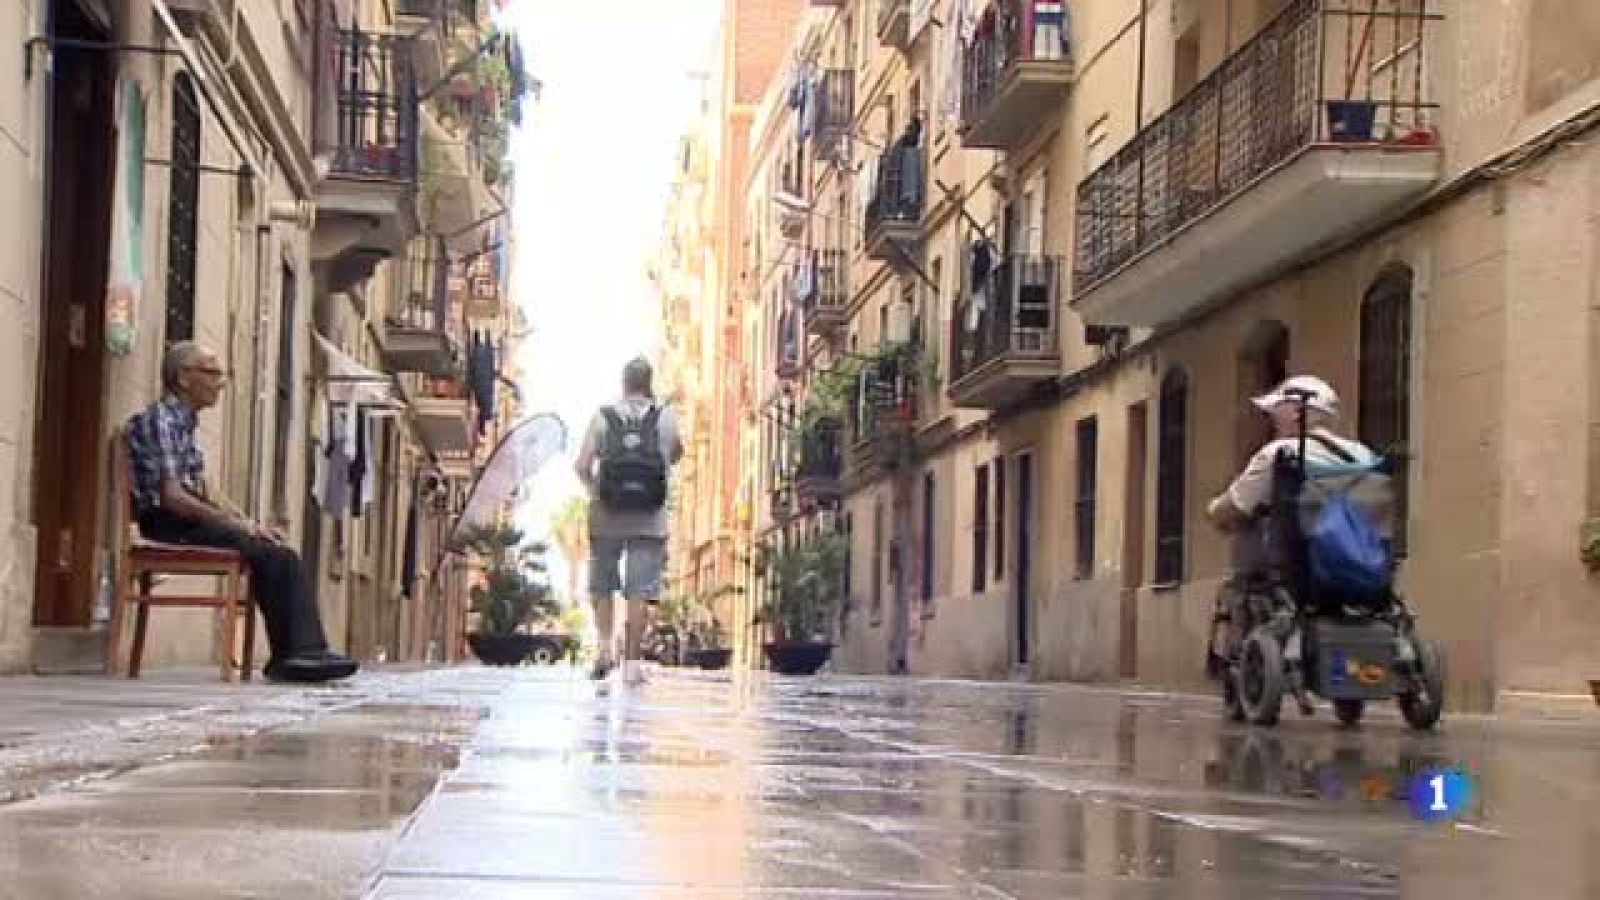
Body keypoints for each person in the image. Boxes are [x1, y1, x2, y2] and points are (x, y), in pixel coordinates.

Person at [127, 341, 358, 684]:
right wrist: (235, 525)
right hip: (169, 521)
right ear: (185, 379)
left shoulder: (185, 424)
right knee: (273, 556)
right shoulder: (161, 420)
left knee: (278, 551)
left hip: (189, 517)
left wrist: (249, 523)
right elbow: (173, 497)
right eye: (212, 372)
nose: (220, 382)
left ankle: (302, 651)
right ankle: (296, 653)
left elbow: (206, 490)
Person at [1204, 375, 1377, 664]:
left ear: (1296, 414)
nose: (1273, 421)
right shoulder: (1363, 455)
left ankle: (1239, 654)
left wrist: (1213, 510)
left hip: (1294, 565)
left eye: (1277, 413)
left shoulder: (1278, 454)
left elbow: (1235, 504)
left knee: (1247, 561)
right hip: (1359, 559)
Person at [574, 358, 683, 684]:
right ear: (650, 382)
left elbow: (581, 465)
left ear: (623, 383)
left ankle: (605, 649)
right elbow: (675, 455)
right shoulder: (666, 417)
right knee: (640, 590)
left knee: (602, 581)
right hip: (650, 515)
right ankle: (632, 665)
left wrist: (597, 490)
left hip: (608, 512)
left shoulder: (603, 417)